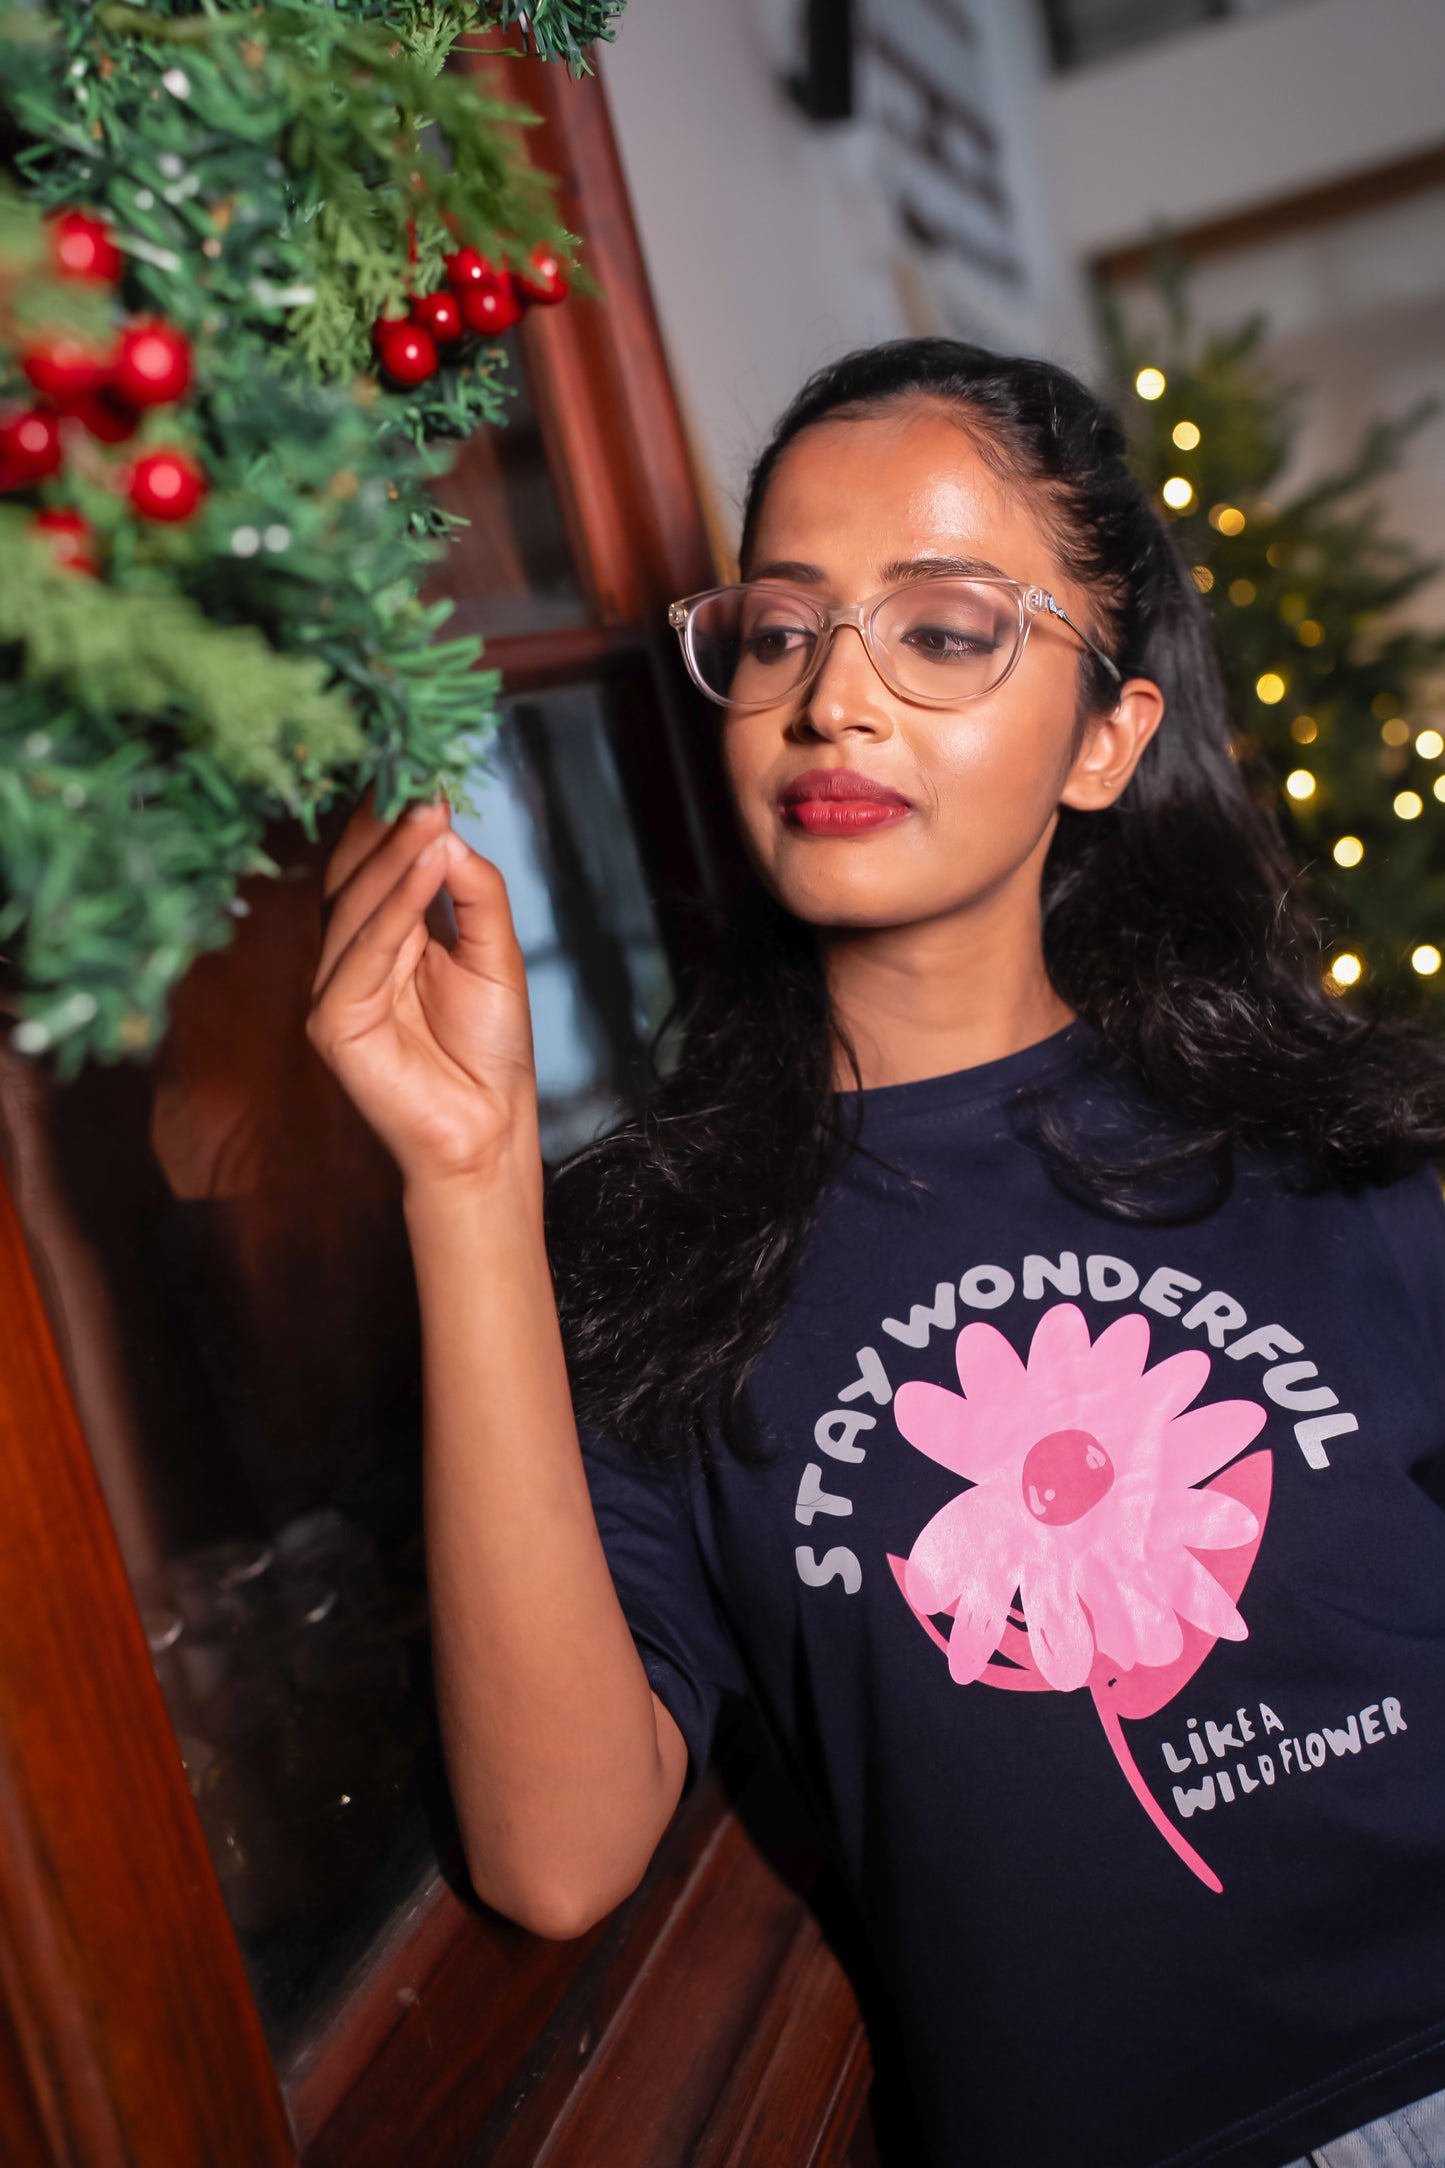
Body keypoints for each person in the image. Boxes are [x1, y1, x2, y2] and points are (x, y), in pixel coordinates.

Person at [306, 339, 1445, 2168]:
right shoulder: (645, 1247)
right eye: (778, 630)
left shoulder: (1334, 1145)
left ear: (1104, 738)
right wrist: (467, 1184)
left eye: (941, 631)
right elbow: (556, 1856)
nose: (832, 702)